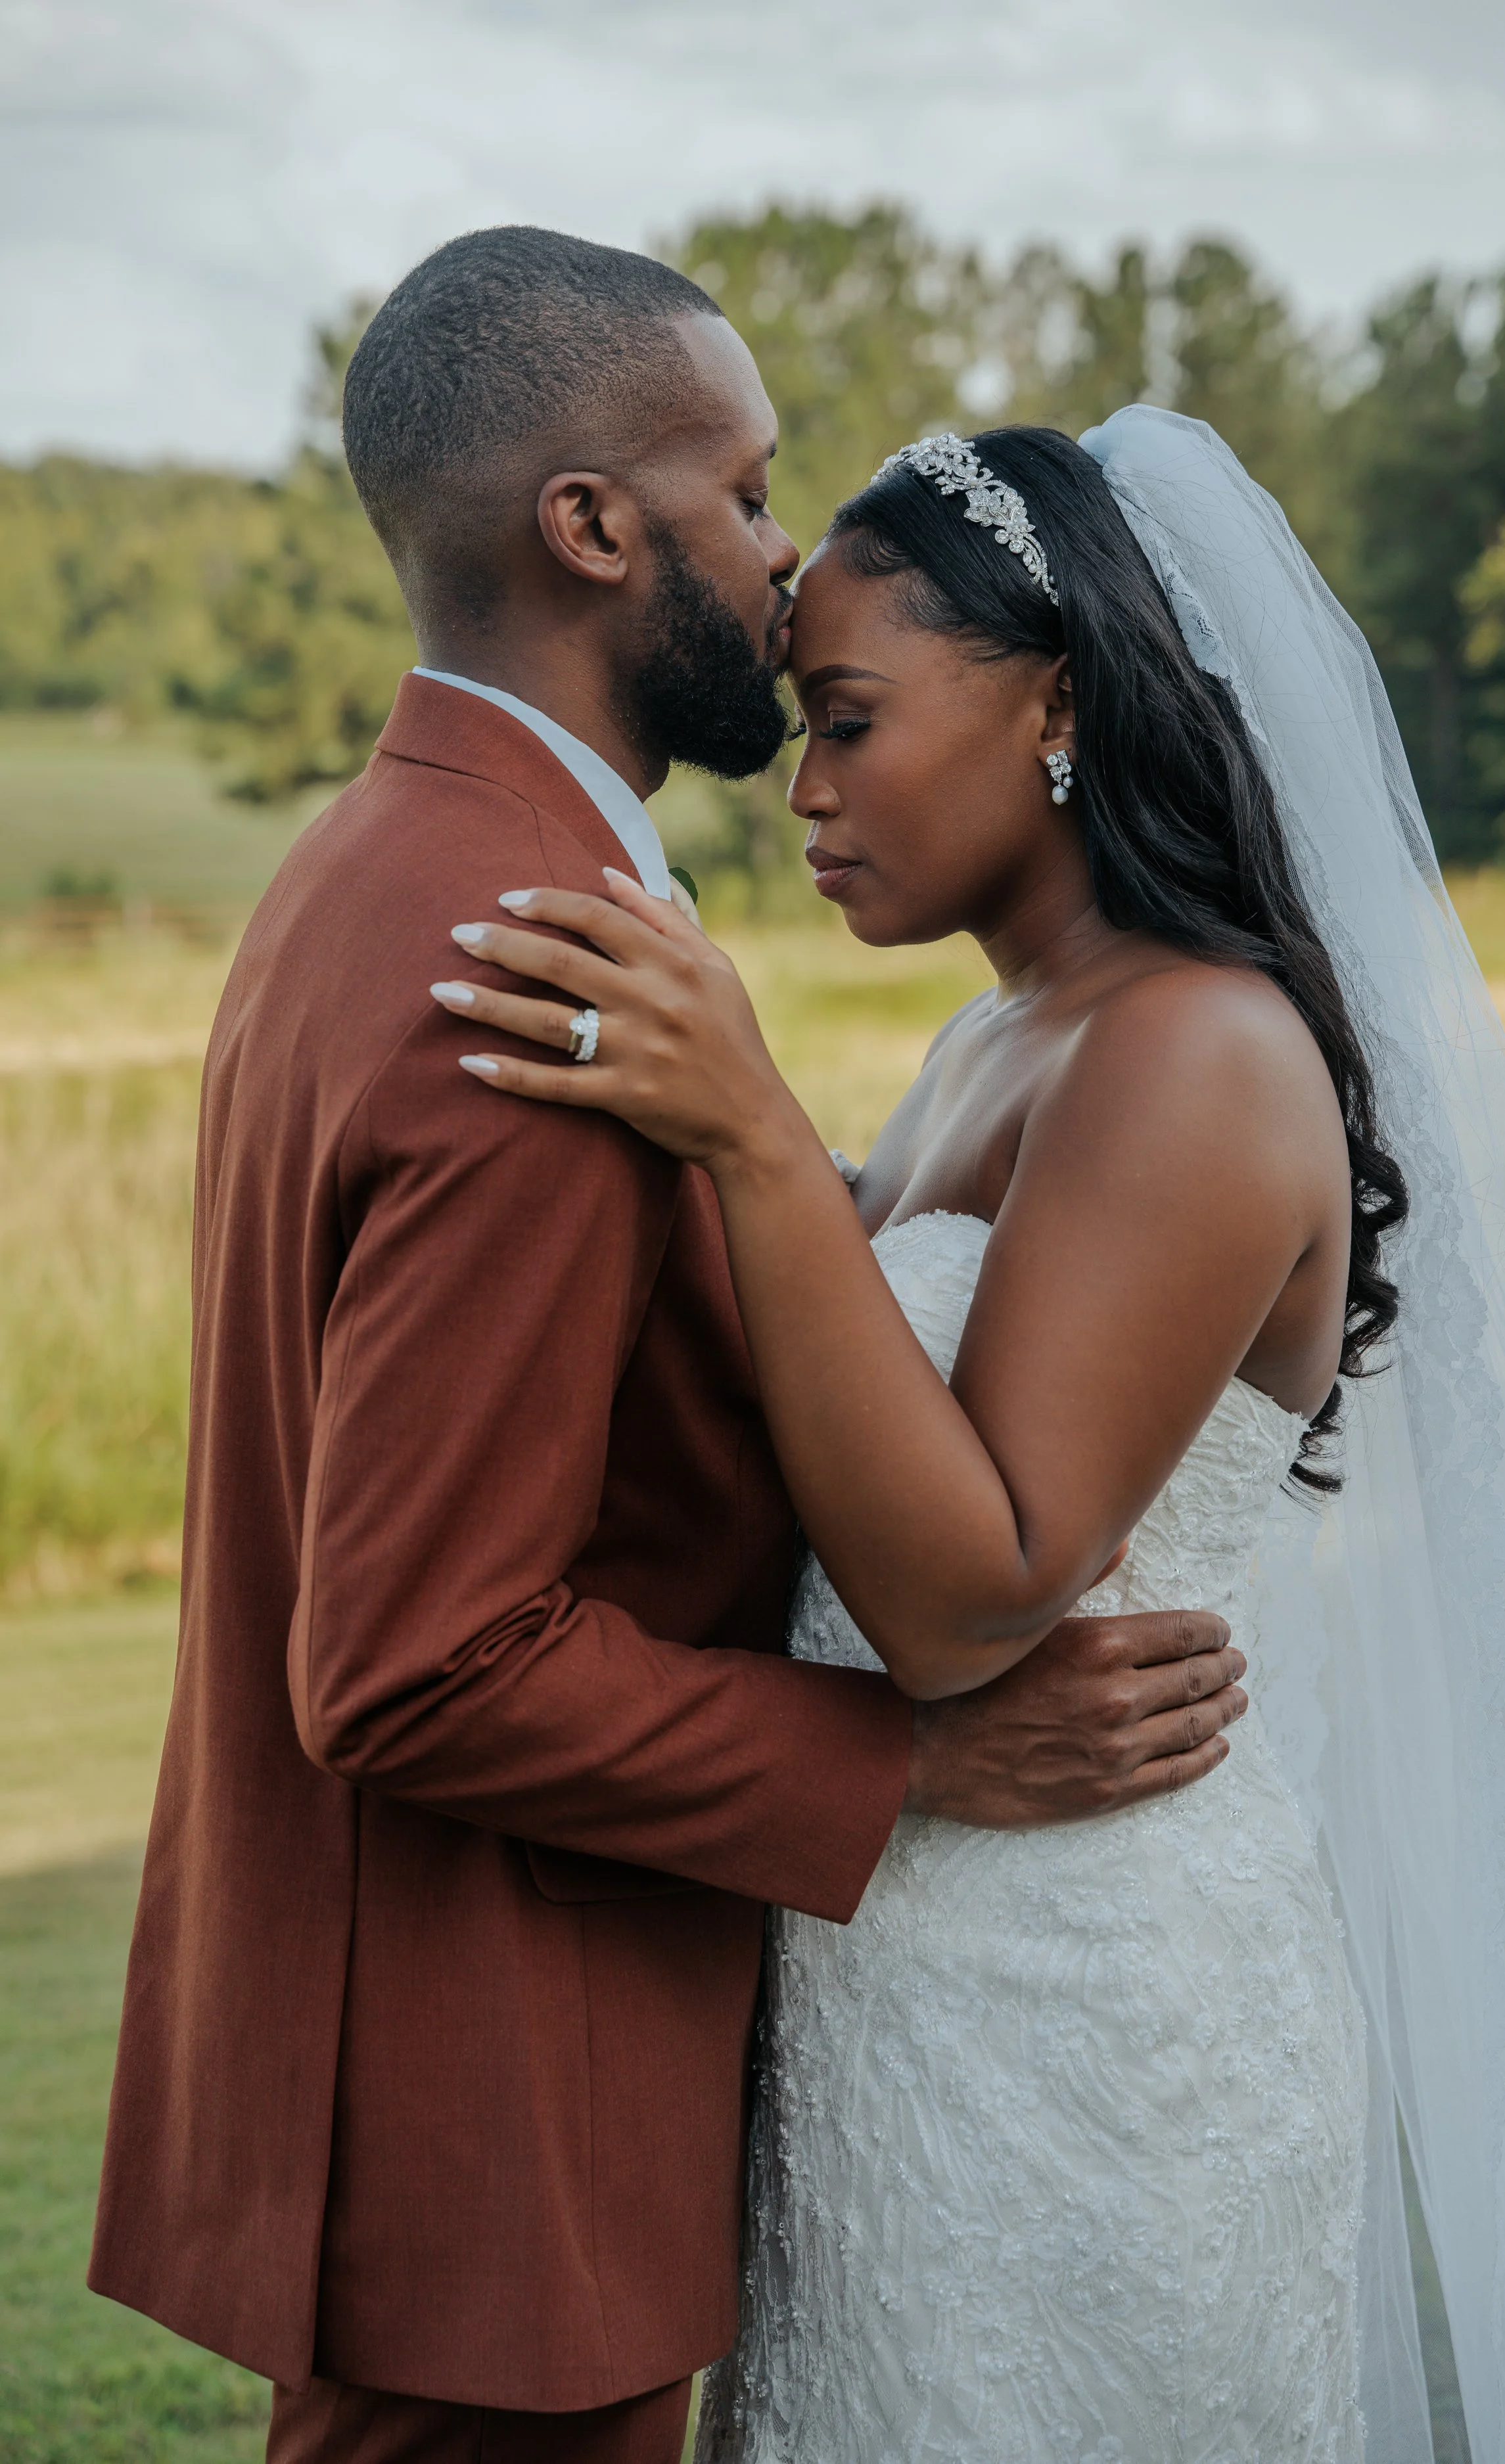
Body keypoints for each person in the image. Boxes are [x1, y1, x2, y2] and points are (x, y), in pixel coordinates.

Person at [87, 236, 1247, 2464]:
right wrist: (901, 1766)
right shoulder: (521, 959)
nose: (784, 545)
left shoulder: (387, 866)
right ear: (594, 528)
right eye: (746, 486)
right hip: (490, 2105)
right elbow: (418, 1651)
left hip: (441, 2061)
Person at [437, 412, 1505, 2464]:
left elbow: (968, 1597)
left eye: (845, 720)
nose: (801, 792)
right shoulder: (1002, 1030)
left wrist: (740, 1132)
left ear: (1058, 704)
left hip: (1093, 2004)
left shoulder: (1188, 1046)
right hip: (909, 1966)